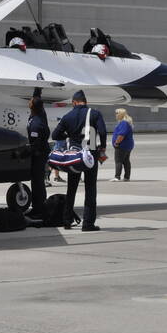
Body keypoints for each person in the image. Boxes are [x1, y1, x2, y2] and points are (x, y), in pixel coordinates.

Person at [52, 90, 107, 231]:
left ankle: (67, 221)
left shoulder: (68, 116)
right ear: (85, 101)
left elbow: (55, 134)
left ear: (74, 103)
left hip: (74, 156)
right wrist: (102, 147)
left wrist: (68, 135)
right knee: (90, 189)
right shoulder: (95, 114)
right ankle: (88, 223)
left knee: (72, 189)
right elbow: (102, 132)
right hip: (91, 155)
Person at [27, 96, 50, 217]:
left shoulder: (36, 122)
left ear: (32, 107)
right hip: (40, 153)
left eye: (30, 102)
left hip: (38, 154)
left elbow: (35, 142)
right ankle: (39, 206)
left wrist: (28, 152)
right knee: (37, 181)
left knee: (37, 182)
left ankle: (38, 208)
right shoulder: (39, 116)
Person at [111, 108, 134, 181]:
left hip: (122, 146)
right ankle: (127, 177)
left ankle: (117, 177)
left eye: (117, 113)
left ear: (121, 114)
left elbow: (121, 135)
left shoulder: (123, 123)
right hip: (127, 146)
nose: (116, 115)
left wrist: (117, 143)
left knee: (118, 161)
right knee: (126, 161)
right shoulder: (126, 122)